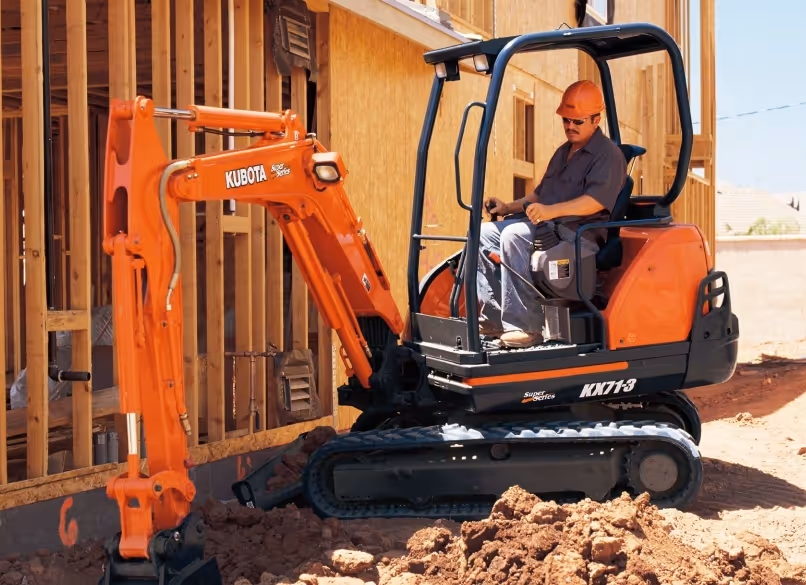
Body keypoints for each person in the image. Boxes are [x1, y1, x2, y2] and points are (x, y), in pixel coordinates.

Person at [478, 80, 627, 348]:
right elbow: (540, 195)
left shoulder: (609, 155)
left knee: (514, 235)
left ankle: (527, 328)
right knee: (484, 233)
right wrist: (508, 207)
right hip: (549, 228)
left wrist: (550, 211)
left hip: (578, 236)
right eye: (566, 120)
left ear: (596, 120)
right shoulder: (563, 152)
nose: (570, 126)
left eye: (577, 121)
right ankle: (494, 319)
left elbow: (595, 202)